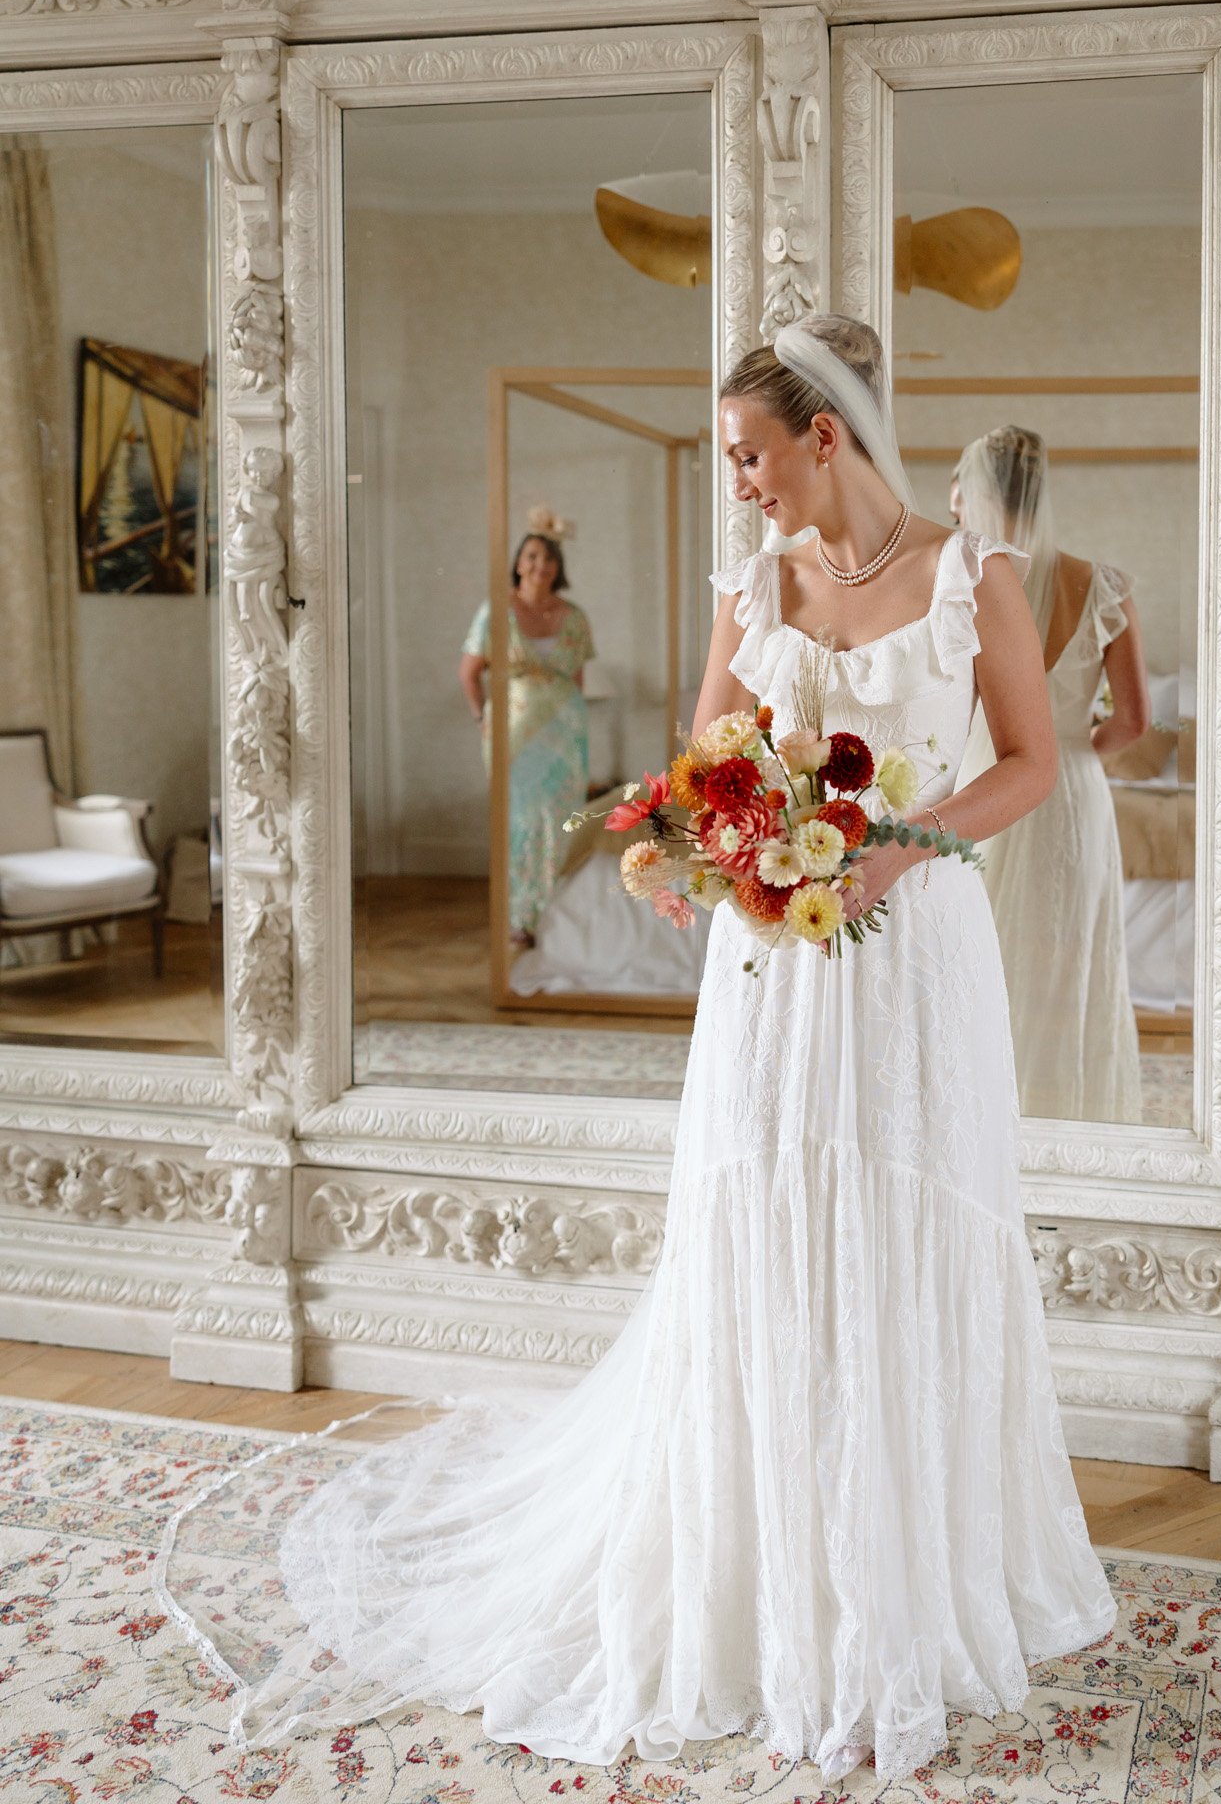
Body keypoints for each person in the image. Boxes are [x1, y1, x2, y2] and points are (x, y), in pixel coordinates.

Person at [160, 317, 1115, 1784]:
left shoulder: (969, 579)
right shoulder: (758, 585)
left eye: (749, 454)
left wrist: (896, 852)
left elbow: (1032, 766)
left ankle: (906, 1570)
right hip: (770, 965)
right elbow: (703, 767)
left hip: (916, 956)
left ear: (826, 434)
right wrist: (692, 849)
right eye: (730, 457)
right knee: (762, 1226)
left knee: (904, 1218)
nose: (740, 483)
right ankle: (755, 1565)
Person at [952, 426, 1150, 1123]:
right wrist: (1068, 757)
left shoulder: (969, 583)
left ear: (976, 492)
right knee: (1068, 955)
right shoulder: (1106, 587)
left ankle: (976, 1111)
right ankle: (1067, 1116)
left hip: (985, 777)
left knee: (975, 950)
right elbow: (1132, 722)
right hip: (1071, 787)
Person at [459, 515, 594, 946]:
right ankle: (520, 917)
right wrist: (483, 720)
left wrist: (576, 725)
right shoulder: (496, 611)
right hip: (514, 734)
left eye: (550, 558)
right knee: (519, 822)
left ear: (559, 566)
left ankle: (555, 913)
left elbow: (577, 679)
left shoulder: (574, 616)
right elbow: (469, 673)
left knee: (561, 819)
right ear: (518, 561)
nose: (541, 565)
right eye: (533, 555)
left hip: (566, 733)